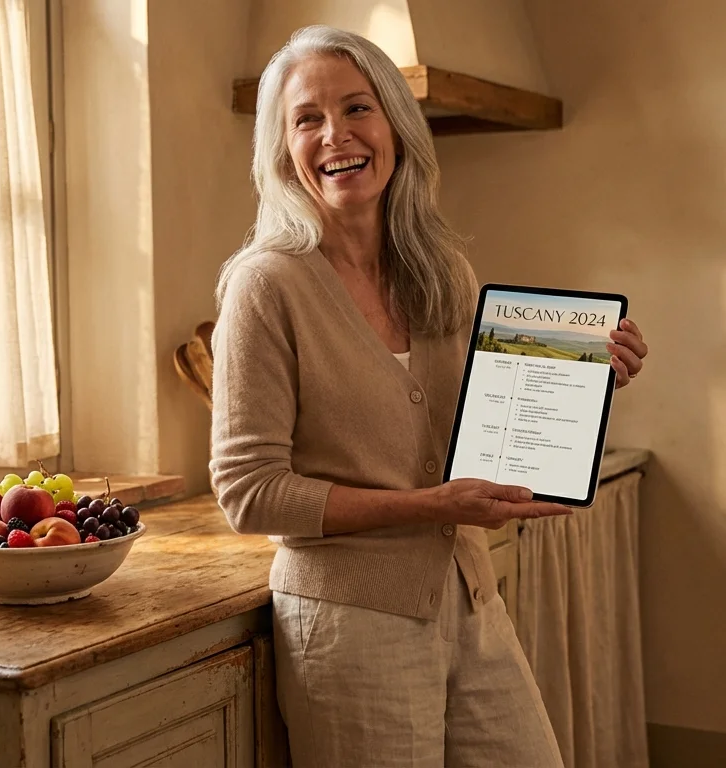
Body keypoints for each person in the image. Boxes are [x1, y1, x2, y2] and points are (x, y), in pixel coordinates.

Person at [209, 25, 649, 767]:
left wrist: (584, 375)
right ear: (282, 149)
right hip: (348, 625)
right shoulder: (266, 285)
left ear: (396, 127)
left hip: (472, 600)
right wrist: (432, 507)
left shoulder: (440, 271)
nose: (334, 135)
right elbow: (249, 495)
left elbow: (478, 429)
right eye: (306, 118)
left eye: (357, 109)